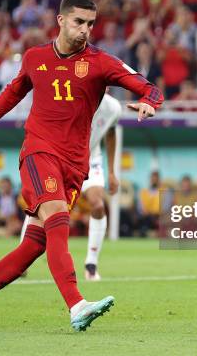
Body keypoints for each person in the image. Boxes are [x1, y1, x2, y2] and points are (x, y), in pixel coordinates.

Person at [0, 0, 163, 332]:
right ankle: (76, 305)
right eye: (79, 22)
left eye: (91, 24)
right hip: (39, 152)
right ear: (61, 20)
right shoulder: (35, 58)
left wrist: (151, 101)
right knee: (59, 218)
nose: (85, 30)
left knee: (34, 244)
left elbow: (145, 85)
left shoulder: (100, 62)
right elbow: (13, 92)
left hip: (75, 166)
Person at [81, 93, 122, 281]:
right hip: (62, 155)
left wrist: (112, 172)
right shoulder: (73, 94)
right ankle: (23, 260)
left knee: (98, 205)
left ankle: (91, 264)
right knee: (44, 209)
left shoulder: (113, 107)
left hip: (91, 158)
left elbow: (111, 133)